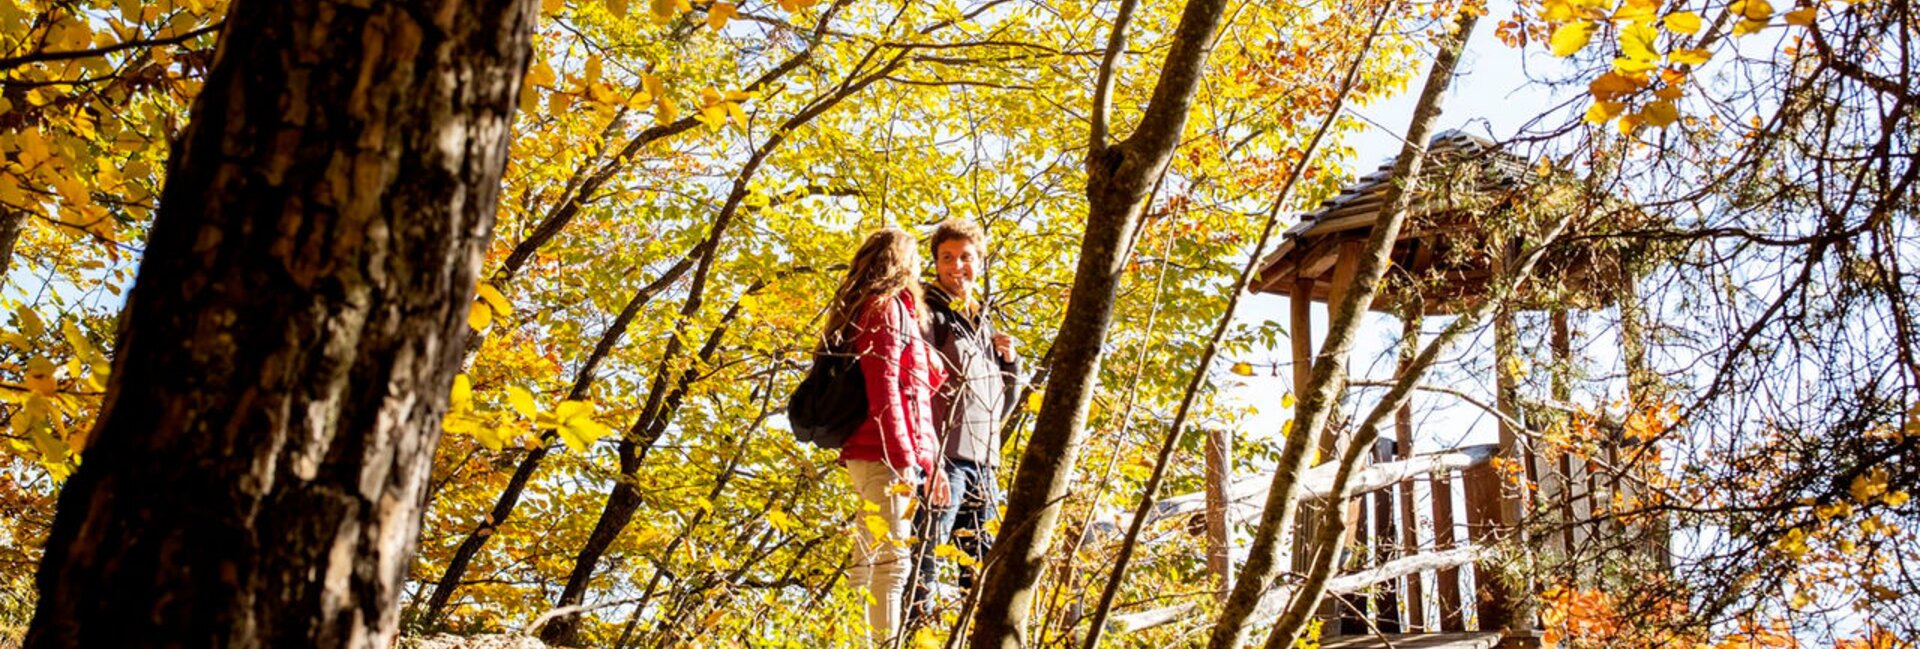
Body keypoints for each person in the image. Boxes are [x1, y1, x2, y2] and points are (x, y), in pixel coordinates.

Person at [827, 228, 951, 645]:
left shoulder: (890, 310)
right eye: (915, 259)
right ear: (901, 262)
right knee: (891, 564)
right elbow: (885, 389)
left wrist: (929, 461)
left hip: (876, 451)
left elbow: (912, 391)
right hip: (883, 453)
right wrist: (906, 460)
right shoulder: (885, 308)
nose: (919, 269)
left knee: (870, 559)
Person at [907, 218, 1021, 626]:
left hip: (984, 464)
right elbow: (915, 385)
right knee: (927, 553)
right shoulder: (929, 314)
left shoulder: (982, 320)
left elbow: (1000, 405)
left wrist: (1010, 364)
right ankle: (914, 632)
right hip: (944, 461)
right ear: (935, 263)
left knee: (980, 565)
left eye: (966, 257)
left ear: (980, 261)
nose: (957, 266)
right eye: (947, 257)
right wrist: (930, 457)